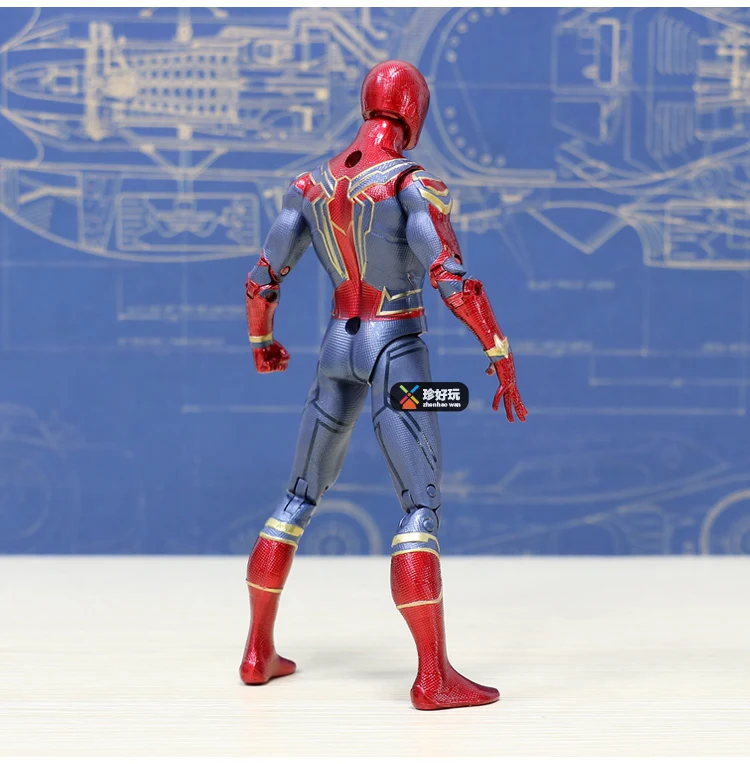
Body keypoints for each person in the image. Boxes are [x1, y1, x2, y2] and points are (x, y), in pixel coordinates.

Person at [240, 60, 527, 710]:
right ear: (413, 112)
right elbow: (452, 279)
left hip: (336, 345)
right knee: (419, 508)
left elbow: (262, 278)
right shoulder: (411, 185)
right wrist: (498, 350)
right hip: (394, 345)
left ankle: (258, 652)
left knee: (296, 498)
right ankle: (433, 678)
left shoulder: (309, 187)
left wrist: (262, 342)